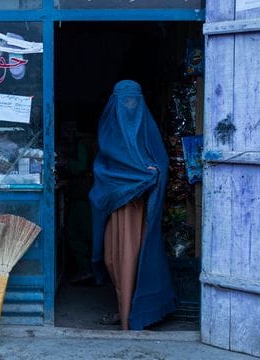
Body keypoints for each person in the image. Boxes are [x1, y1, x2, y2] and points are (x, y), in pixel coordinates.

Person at [89, 80, 175, 330]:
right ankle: (124, 311)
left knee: (131, 261)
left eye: (134, 101)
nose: (129, 106)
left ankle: (129, 318)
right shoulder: (109, 131)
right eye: (125, 101)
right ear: (115, 103)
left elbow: (161, 163)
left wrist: (151, 173)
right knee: (111, 260)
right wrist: (125, 181)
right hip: (114, 208)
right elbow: (103, 169)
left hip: (138, 210)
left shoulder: (146, 129)